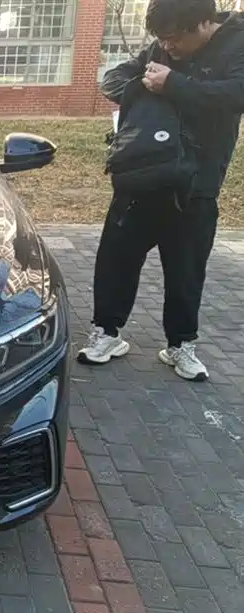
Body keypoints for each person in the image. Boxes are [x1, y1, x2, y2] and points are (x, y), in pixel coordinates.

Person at [77, 0, 244, 381]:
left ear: (202, 23)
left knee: (186, 271)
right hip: (142, 175)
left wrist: (173, 85)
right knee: (116, 260)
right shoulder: (160, 48)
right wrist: (144, 87)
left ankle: (180, 345)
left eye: (173, 38)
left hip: (196, 185)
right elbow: (113, 79)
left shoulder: (237, 44)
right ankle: (107, 333)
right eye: (161, 39)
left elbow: (236, 94)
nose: (166, 46)